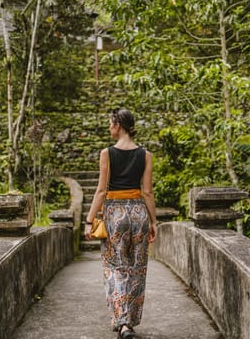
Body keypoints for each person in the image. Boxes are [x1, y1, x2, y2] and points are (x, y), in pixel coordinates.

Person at [84, 108, 158, 339]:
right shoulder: (145, 155)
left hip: (115, 213)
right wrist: (154, 221)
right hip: (138, 212)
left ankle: (122, 322)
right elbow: (147, 192)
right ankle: (130, 321)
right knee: (137, 267)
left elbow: (101, 190)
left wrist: (89, 220)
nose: (109, 128)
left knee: (116, 267)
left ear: (117, 125)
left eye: (110, 123)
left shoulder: (107, 153)